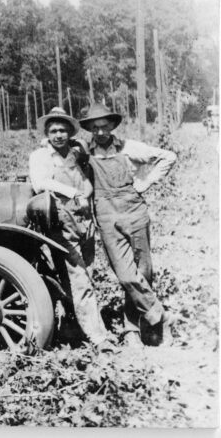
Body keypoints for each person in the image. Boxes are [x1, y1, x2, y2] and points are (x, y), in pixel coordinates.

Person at [80, 104, 176, 347]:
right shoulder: (84, 151)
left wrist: (145, 183)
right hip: (106, 215)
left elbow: (168, 157)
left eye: (104, 126)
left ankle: (132, 330)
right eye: (95, 127)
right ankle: (160, 316)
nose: (100, 132)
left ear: (112, 126)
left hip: (134, 211)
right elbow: (62, 152)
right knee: (125, 274)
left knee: (143, 271)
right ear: (89, 129)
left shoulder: (130, 148)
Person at [28, 107, 115, 352]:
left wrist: (85, 193)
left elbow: (86, 178)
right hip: (61, 223)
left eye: (63, 130)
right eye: (54, 131)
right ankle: (99, 338)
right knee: (79, 280)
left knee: (86, 274)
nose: (59, 135)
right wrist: (74, 193)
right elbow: (40, 183)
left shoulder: (75, 154)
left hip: (84, 221)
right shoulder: (41, 156)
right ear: (46, 133)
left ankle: (72, 327)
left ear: (70, 133)